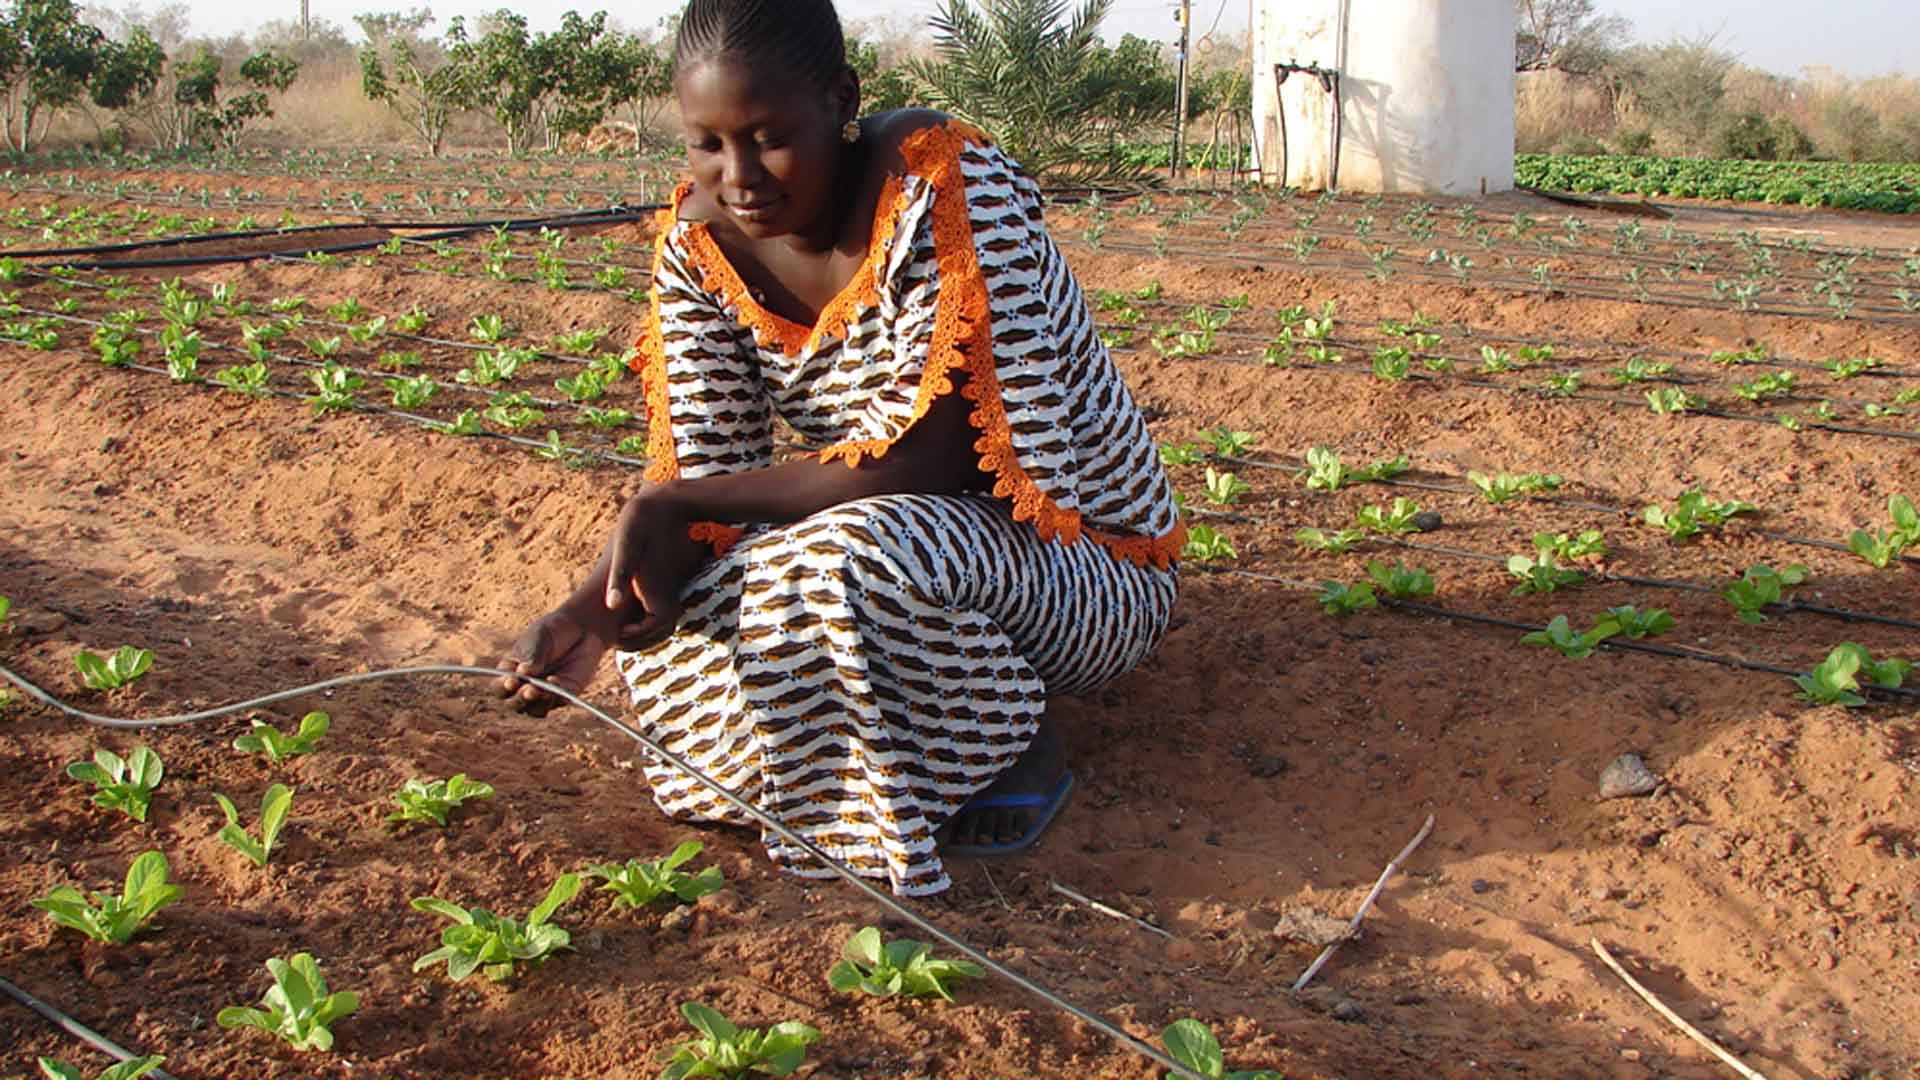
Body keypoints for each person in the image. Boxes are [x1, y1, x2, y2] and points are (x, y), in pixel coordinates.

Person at [497, 0, 1183, 897]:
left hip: (1080, 567)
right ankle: (905, 749)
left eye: (768, 137)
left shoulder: (945, 184)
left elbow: (945, 459)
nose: (740, 175)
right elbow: (702, 476)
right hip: (890, 533)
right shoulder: (699, 246)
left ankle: (1012, 735)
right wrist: (596, 608)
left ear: (841, 101)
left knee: (840, 560)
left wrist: (681, 507)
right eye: (708, 143)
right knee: (685, 644)